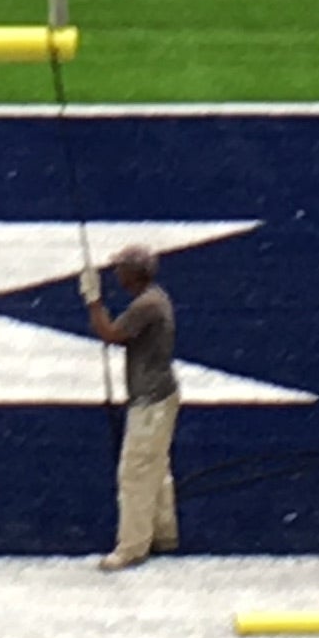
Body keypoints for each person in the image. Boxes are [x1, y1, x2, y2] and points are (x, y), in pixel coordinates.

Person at [80, 245, 177, 571]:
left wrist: (93, 300)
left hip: (150, 402)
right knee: (156, 466)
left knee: (135, 473)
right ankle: (163, 533)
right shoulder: (156, 297)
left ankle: (133, 547)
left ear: (132, 274)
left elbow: (110, 333)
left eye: (120, 268)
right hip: (161, 396)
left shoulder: (146, 305)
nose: (116, 273)